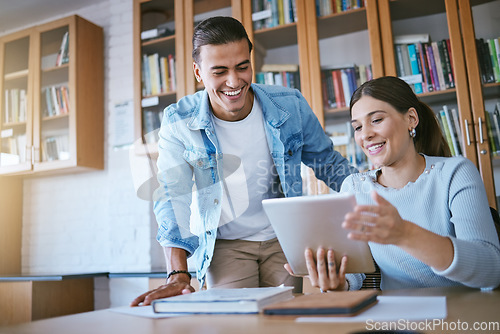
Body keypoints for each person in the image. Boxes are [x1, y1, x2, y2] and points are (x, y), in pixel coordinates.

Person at [131, 16, 356, 306]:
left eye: (242, 67)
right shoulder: (179, 121)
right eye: (220, 71)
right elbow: (173, 196)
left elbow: (328, 163)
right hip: (225, 245)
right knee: (235, 323)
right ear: (198, 72)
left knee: (285, 319)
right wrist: (177, 273)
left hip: (282, 239)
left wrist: (379, 195)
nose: (234, 82)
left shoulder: (289, 105)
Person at [287, 76, 500, 292]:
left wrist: (406, 234)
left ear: (411, 119)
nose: (366, 135)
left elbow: (491, 270)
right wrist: (339, 281)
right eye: (358, 127)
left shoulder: (455, 173)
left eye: (377, 120)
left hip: (462, 313)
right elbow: (356, 269)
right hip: (394, 318)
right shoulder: (354, 187)